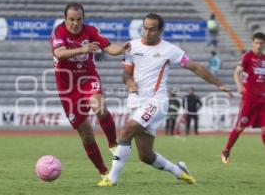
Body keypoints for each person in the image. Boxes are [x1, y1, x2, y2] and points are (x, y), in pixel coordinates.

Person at [97, 13, 232, 186]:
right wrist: (130, 82)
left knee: (127, 130)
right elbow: (126, 74)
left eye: (152, 29)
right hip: (137, 103)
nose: (147, 32)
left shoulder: (170, 50)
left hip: (157, 102)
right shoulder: (131, 46)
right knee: (146, 156)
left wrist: (218, 84)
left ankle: (112, 179)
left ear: (160, 31)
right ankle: (179, 171)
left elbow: (195, 67)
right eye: (145, 28)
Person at [50, 2, 130, 179]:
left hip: (88, 79)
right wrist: (83, 48)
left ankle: (113, 144)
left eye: (79, 19)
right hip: (67, 88)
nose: (75, 23)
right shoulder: (59, 32)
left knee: (99, 107)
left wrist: (122, 49)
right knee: (86, 134)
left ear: (83, 19)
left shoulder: (91, 31)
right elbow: (60, 53)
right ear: (65, 19)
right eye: (71, 19)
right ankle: (103, 171)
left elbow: (109, 48)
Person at [221, 32, 265, 164]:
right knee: (240, 127)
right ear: (252, 43)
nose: (258, 46)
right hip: (249, 99)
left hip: (263, 100)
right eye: (256, 43)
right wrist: (240, 86)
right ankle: (226, 150)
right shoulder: (248, 57)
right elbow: (237, 72)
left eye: (261, 43)